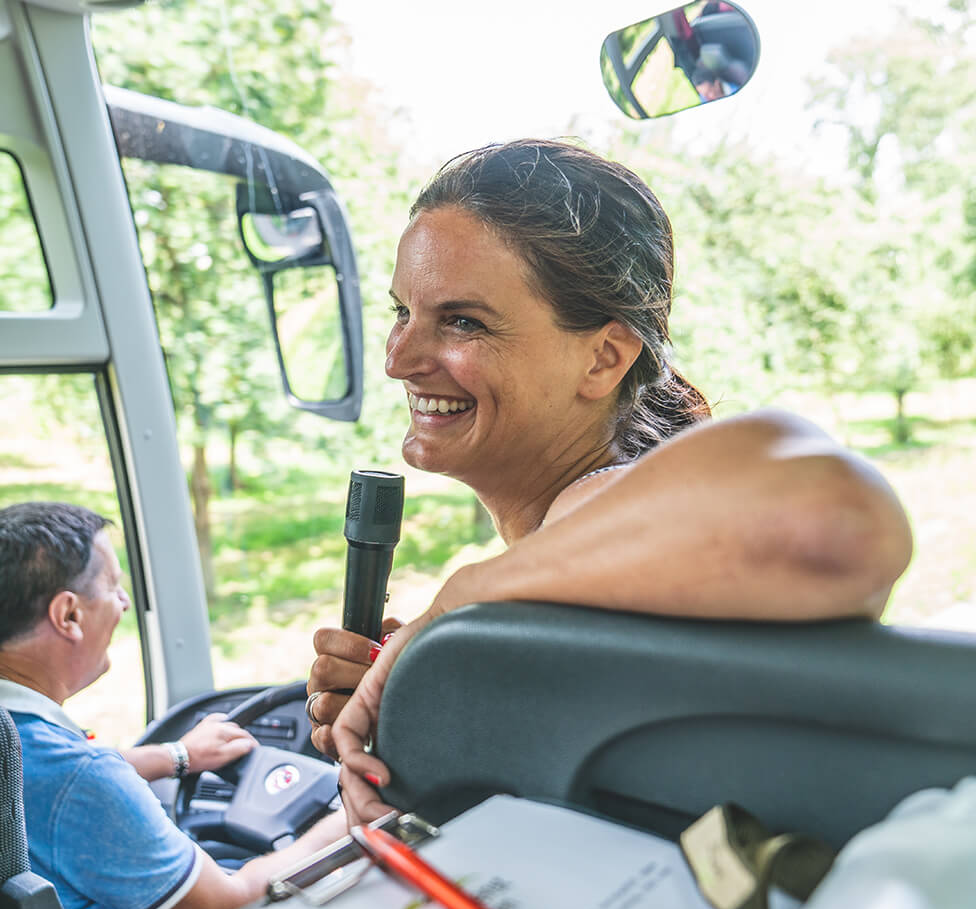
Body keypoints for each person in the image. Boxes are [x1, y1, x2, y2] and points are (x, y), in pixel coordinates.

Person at [303, 139, 914, 823]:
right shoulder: (598, 547)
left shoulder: (587, 504)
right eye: (401, 313)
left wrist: (459, 604)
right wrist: (421, 693)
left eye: (462, 322)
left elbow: (837, 520)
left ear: (603, 358)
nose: (398, 359)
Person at [0, 502, 346, 909]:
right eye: (113, 586)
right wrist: (350, 823)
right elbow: (229, 902)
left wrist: (177, 756)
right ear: (68, 615)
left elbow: (51, 779)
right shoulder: (81, 779)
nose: (123, 602)